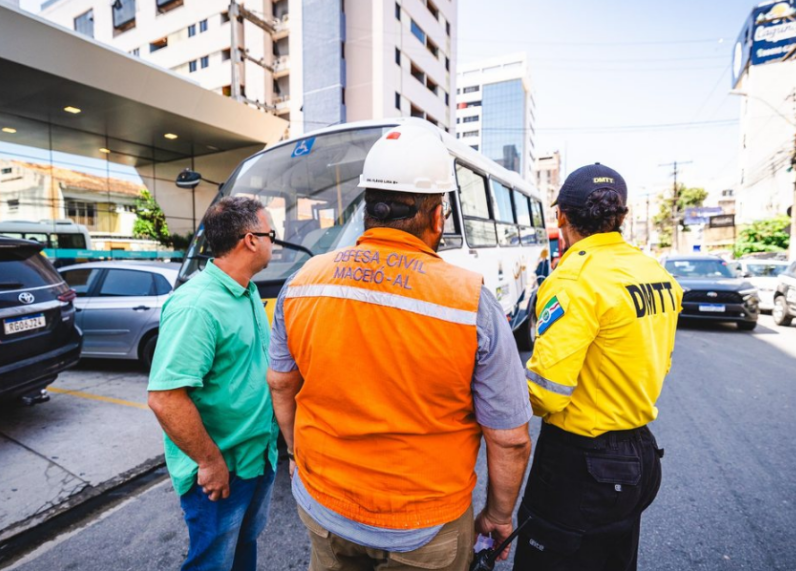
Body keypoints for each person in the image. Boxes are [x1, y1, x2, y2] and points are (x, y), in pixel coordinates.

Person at [267, 124, 532, 571]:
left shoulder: (303, 282)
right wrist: (499, 515)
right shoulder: (471, 303)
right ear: (436, 217)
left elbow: (281, 384)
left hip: (324, 505)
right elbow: (510, 439)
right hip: (424, 526)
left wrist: (294, 455)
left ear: (367, 209)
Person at [513, 164, 682, 571]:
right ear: (619, 217)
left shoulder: (574, 280)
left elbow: (546, 391)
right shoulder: (655, 273)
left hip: (581, 465)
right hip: (639, 456)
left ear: (562, 218)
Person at [147, 196, 279, 571]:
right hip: (223, 470)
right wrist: (209, 462)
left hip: (257, 457)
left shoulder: (247, 290)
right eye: (272, 234)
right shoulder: (197, 306)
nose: (274, 243)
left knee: (242, 551)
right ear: (250, 240)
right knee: (213, 563)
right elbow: (165, 399)